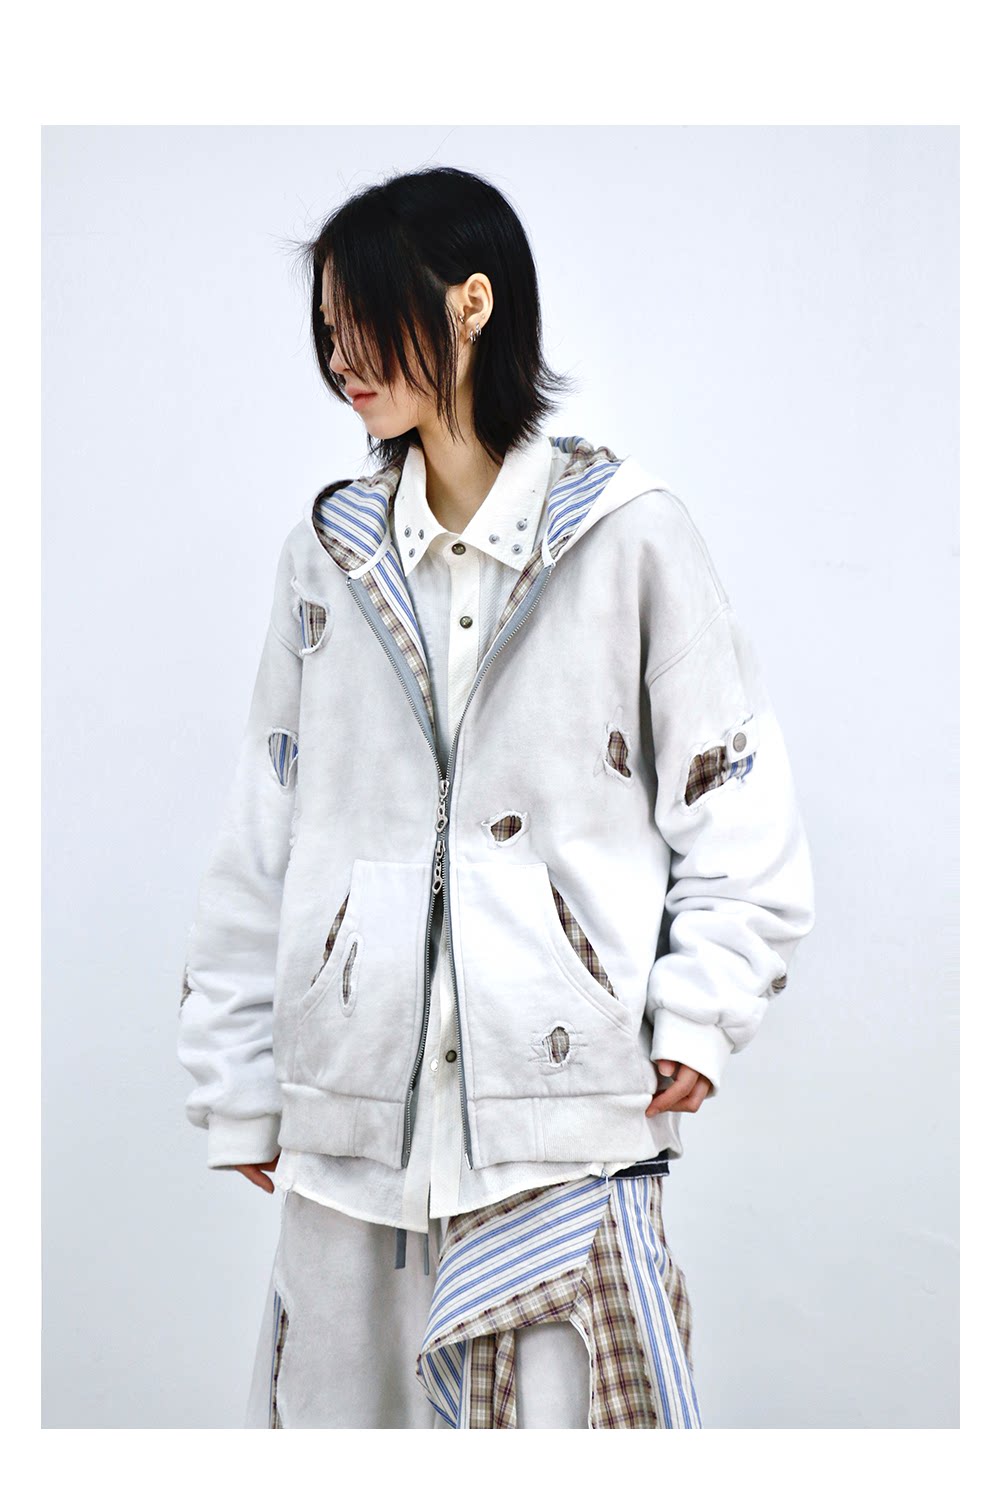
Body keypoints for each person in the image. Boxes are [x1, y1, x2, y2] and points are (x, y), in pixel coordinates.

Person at [177, 165, 816, 1429]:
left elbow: (737, 806)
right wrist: (237, 1075)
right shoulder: (328, 556)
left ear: (470, 304)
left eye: (363, 319)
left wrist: (701, 1010)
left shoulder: (630, 535)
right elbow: (267, 826)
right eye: (326, 328)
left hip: (563, 1124)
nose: (338, 357)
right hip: (353, 1135)